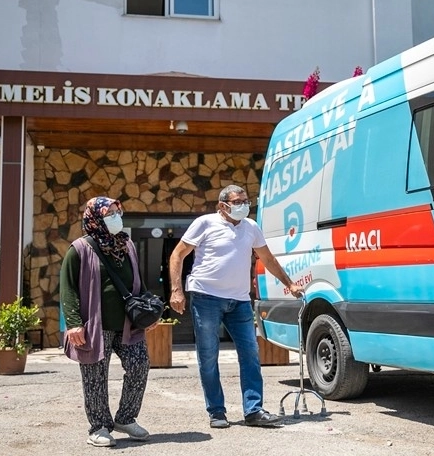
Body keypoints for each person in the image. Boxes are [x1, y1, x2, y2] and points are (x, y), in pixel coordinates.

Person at [169, 184, 304, 429]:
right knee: (208, 356)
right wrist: (176, 290)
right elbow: (178, 255)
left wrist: (290, 284)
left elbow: (268, 259)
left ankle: (253, 410)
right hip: (206, 297)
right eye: (238, 201)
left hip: (240, 300)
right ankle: (217, 411)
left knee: (250, 354)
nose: (243, 205)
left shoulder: (251, 227)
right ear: (223, 205)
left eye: (245, 201)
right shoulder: (205, 223)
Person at [60, 196, 154, 447]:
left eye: (117, 212)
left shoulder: (127, 244)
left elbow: (137, 281)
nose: (116, 217)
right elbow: (67, 289)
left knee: (140, 365)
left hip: (128, 323)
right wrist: (73, 323)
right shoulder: (79, 248)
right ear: (95, 218)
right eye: (109, 213)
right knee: (95, 378)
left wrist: (147, 311)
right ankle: (99, 427)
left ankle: (125, 418)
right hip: (94, 325)